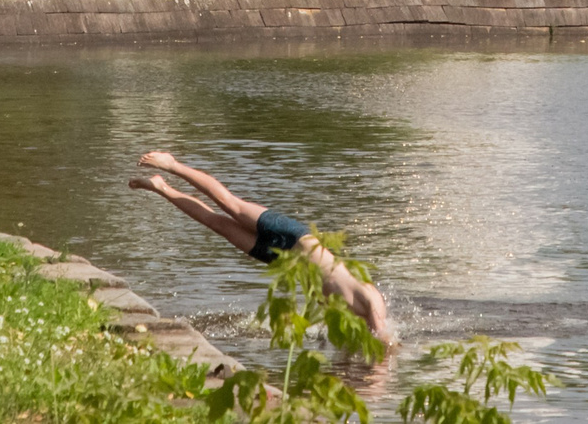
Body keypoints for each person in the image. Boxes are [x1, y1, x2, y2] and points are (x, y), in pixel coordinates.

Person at [128, 149, 397, 349]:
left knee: (216, 224)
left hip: (282, 262)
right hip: (295, 239)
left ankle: (161, 187)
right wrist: (385, 358)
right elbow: (382, 336)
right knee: (230, 205)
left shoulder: (349, 324)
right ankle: (172, 164)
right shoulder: (371, 301)